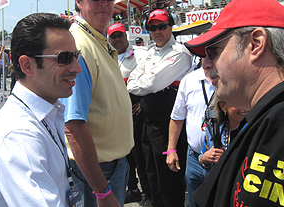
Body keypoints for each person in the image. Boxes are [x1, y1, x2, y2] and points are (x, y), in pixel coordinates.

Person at [185, 0, 284, 206]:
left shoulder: (278, 120)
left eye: (213, 52)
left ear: (255, 44)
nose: (206, 63)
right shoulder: (265, 117)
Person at [0, 13, 81, 206]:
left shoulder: (48, 112)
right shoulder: (19, 136)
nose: (77, 68)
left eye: (76, 56)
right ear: (28, 65)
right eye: (65, 58)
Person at [60, 0, 134, 206]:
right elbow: (73, 126)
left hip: (112, 164)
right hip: (99, 170)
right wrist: (101, 191)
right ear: (79, 3)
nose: (104, 3)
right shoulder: (80, 45)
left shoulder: (95, 40)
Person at [127, 9, 193, 207]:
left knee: (168, 178)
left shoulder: (180, 53)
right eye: (153, 28)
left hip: (168, 125)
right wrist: (148, 83)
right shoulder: (148, 52)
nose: (157, 31)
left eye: (162, 26)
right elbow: (132, 83)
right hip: (149, 124)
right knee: (150, 173)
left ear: (170, 26)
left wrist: (147, 82)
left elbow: (152, 83)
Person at [108, 23, 150, 204]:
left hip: (135, 112)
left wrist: (143, 102)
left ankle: (148, 193)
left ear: (126, 36)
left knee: (141, 156)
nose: (117, 40)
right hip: (116, 113)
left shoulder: (140, 53)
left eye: (119, 36)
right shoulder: (107, 56)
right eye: (113, 37)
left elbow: (151, 79)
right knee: (123, 155)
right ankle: (132, 189)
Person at [165, 62, 215, 207]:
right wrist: (171, 150)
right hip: (194, 158)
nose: (209, 59)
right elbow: (177, 117)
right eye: (206, 53)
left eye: (215, 52)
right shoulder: (190, 80)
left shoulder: (232, 78)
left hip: (221, 159)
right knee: (195, 202)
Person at [199, 98, 248, 169]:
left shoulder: (255, 130)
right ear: (223, 106)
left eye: (246, 103)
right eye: (237, 103)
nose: (243, 109)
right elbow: (201, 156)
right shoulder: (214, 129)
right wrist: (204, 158)